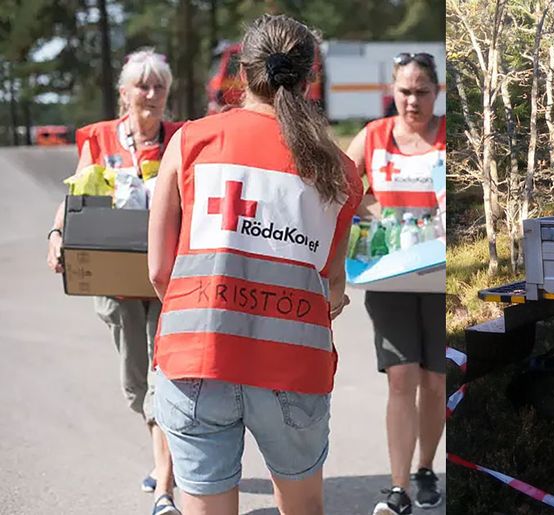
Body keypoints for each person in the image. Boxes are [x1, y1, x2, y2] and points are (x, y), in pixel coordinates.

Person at [146, 14, 360, 515]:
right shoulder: (339, 168)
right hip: (293, 365)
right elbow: (329, 284)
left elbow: (160, 271)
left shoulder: (191, 141)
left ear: (243, 71)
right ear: (311, 77)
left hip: (197, 353)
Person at [45, 48, 183, 515]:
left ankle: (165, 490)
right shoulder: (101, 138)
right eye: (141, 85)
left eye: (158, 85)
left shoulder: (181, 140)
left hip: (167, 280)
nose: (150, 93)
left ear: (168, 93)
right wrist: (57, 234)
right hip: (116, 278)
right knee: (137, 385)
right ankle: (163, 460)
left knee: (163, 380)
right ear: (123, 93)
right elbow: (77, 195)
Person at [346, 51, 446, 515]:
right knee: (402, 376)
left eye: (422, 92)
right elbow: (342, 186)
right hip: (388, 275)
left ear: (437, 93)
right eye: (404, 91)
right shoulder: (373, 136)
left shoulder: (449, 137)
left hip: (441, 275)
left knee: (435, 377)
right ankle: (399, 486)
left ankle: (427, 469)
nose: (413, 101)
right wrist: (372, 212)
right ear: (392, 91)